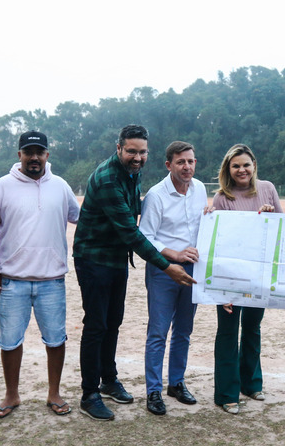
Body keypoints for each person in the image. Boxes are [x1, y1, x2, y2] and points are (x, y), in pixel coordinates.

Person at [73, 124, 196, 421]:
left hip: (115, 259)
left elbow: (133, 218)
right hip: (93, 259)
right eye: (131, 151)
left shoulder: (132, 173)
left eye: (142, 152)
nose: (137, 157)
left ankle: (108, 379)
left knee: (113, 321)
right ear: (119, 149)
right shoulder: (107, 178)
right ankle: (89, 394)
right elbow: (131, 232)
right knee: (96, 325)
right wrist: (167, 266)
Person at [0, 131, 80, 419]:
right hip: (13, 281)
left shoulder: (60, 186)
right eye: (29, 152)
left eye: (40, 152)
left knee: (55, 339)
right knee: (10, 341)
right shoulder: (1, 187)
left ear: (47, 155)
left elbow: (81, 218)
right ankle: (12, 395)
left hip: (52, 281)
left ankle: (54, 393)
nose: (34, 157)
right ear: (20, 155)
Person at [138, 141, 209, 416]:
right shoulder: (156, 195)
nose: (187, 166)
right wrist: (175, 256)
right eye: (181, 162)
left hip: (192, 270)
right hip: (164, 270)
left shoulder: (201, 189)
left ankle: (176, 383)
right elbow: (145, 237)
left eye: (191, 161)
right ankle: (153, 391)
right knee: (158, 332)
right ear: (169, 165)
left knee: (184, 331)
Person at [211, 144, 282, 414]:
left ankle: (251, 383)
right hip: (231, 275)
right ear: (228, 169)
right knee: (228, 332)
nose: (242, 170)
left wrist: (270, 217)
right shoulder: (222, 197)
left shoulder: (268, 188)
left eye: (246, 164)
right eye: (236, 165)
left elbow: (280, 229)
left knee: (253, 327)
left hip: (259, 273)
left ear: (254, 165)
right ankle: (227, 393)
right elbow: (220, 242)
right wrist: (223, 288)